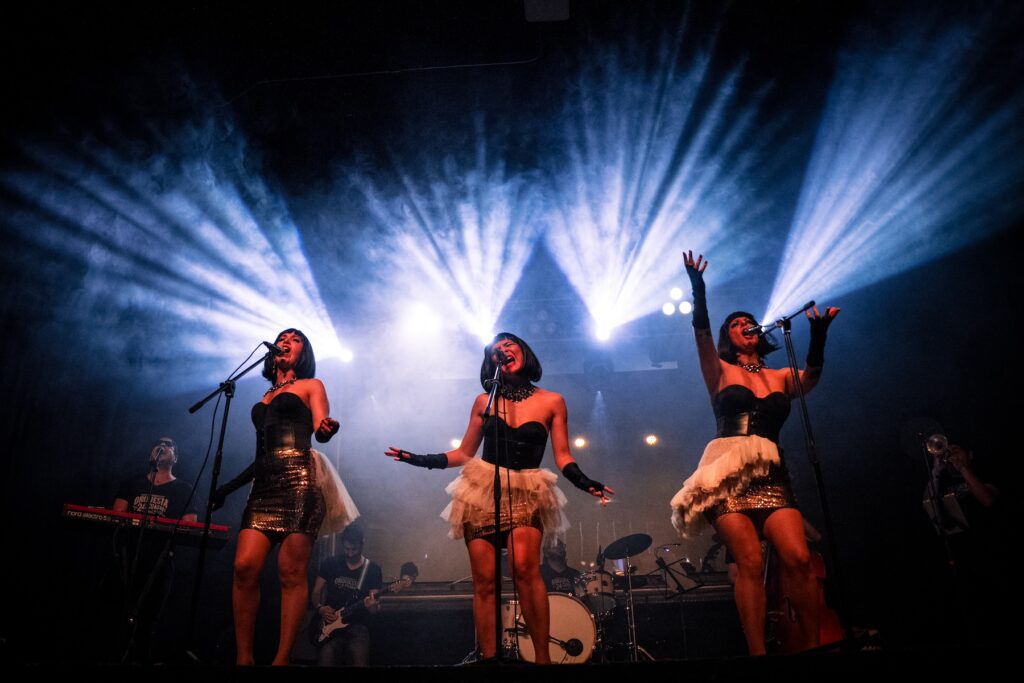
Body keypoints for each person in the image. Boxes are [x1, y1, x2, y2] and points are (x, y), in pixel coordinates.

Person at [386, 332, 613, 663]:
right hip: (482, 491)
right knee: (485, 581)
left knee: (524, 568)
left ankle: (542, 658)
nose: (503, 352)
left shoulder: (552, 401)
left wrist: (584, 481)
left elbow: (563, 456)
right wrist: (419, 458)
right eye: (496, 351)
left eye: (510, 346)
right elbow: (465, 453)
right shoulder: (484, 402)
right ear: (491, 363)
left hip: (528, 489)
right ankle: (489, 658)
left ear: (524, 352)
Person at [670, 251, 839, 656]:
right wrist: (698, 289)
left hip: (770, 471)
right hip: (726, 470)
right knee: (747, 560)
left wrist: (818, 337)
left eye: (748, 322)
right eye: (736, 324)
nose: (745, 325)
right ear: (730, 337)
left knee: (798, 558)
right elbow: (700, 333)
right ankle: (758, 654)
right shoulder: (719, 370)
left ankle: (811, 649)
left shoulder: (780, 375)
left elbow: (810, 379)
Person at [213, 328, 358, 665]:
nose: (287, 340)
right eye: (283, 336)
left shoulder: (311, 385)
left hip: (299, 479)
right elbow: (261, 456)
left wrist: (326, 428)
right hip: (264, 485)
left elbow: (321, 427)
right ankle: (244, 659)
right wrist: (226, 488)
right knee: (244, 567)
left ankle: (281, 660)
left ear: (302, 353)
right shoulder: (264, 396)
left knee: (290, 572)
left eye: (296, 338)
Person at [108, 436, 197, 663]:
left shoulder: (183, 489)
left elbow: (190, 525)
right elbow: (116, 514)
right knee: (115, 614)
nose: (162, 447)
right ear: (151, 453)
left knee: (148, 620)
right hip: (126, 558)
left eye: (169, 445)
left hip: (159, 560)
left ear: (175, 457)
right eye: (158, 444)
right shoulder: (132, 483)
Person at [310, 524, 382, 666]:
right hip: (330, 625)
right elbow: (316, 593)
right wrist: (320, 608)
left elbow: (374, 608)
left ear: (362, 545)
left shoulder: (373, 569)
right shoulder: (330, 563)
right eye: (347, 549)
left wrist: (373, 606)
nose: (350, 553)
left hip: (358, 627)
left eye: (354, 549)